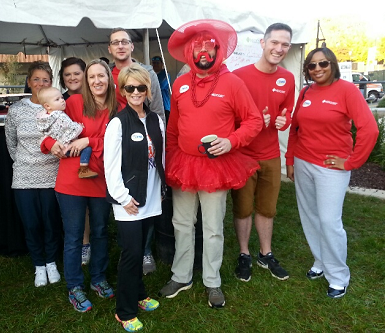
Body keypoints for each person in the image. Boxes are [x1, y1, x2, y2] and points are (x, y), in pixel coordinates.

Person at [158, 19, 263, 308]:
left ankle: (212, 281)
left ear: (218, 50)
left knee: (213, 226)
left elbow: (253, 121)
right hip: (184, 163)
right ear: (189, 52)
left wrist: (232, 141)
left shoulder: (233, 83)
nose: (203, 52)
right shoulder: (179, 83)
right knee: (181, 222)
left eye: (209, 47)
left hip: (217, 166)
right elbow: (174, 129)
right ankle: (181, 276)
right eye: (197, 47)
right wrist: (168, 161)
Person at [286, 47, 379, 298]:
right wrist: (290, 160)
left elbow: (369, 130)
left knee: (329, 221)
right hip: (303, 163)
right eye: (312, 66)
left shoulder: (347, 91)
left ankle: (338, 275)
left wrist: (350, 162)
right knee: (310, 217)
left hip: (331, 168)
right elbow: (295, 129)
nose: (317, 69)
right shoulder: (306, 91)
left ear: (333, 64)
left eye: (323, 64)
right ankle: (320, 262)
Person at [41, 59, 117, 312]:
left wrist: (87, 141)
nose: (97, 81)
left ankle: (98, 278)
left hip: (101, 178)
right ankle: (74, 286)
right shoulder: (73, 103)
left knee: (100, 232)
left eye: (101, 76)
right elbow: (48, 131)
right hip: (71, 180)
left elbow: (117, 142)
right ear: (86, 80)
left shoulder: (118, 106)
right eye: (92, 76)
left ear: (109, 78)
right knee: (73, 237)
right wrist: (50, 144)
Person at [231, 23, 294, 282]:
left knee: (267, 208)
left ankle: (265, 253)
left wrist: (284, 121)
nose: (279, 49)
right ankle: (244, 253)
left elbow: (288, 111)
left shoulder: (287, 78)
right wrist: (253, 121)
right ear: (263, 43)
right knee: (243, 207)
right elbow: (229, 116)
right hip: (243, 154)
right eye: (274, 43)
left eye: (285, 45)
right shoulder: (239, 76)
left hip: (270, 154)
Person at [104, 63, 165, 332]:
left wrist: (161, 190)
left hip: (150, 197)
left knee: (140, 250)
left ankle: (139, 295)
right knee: (130, 254)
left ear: (148, 89)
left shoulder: (156, 119)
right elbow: (111, 166)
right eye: (131, 87)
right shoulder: (118, 123)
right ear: (123, 91)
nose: (137, 92)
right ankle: (125, 310)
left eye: (141, 87)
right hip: (128, 201)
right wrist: (123, 198)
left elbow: (161, 157)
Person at [5, 61, 62, 288]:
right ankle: (38, 264)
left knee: (50, 221)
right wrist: (23, 162)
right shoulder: (17, 110)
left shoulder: (55, 108)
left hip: (52, 173)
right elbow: (11, 142)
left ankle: (51, 262)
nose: (40, 83)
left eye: (45, 80)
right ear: (29, 82)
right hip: (23, 176)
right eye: (36, 79)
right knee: (31, 223)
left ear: (51, 83)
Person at [59, 56, 91, 265]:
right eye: (67, 74)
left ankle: (89, 242)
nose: (72, 78)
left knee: (91, 208)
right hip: (66, 160)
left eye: (76, 73)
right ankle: (83, 243)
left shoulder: (96, 97)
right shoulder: (58, 101)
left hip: (93, 158)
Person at [36, 87, 98, 179]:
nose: (62, 101)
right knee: (87, 149)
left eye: (62, 98)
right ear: (47, 106)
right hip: (66, 146)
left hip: (59, 147)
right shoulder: (60, 116)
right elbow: (72, 128)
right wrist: (80, 127)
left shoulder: (44, 118)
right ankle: (84, 168)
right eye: (57, 99)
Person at [108, 28, 166, 125]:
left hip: (141, 131)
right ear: (109, 48)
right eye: (115, 43)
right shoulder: (105, 75)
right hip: (113, 132)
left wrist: (158, 137)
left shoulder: (148, 73)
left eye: (125, 42)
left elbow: (157, 111)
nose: (120, 46)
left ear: (132, 46)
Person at [151, 55, 171, 122]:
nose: (155, 65)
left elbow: (160, 86)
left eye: (157, 63)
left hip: (164, 105)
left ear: (162, 64)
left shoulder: (165, 74)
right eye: (154, 63)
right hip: (153, 105)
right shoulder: (150, 74)